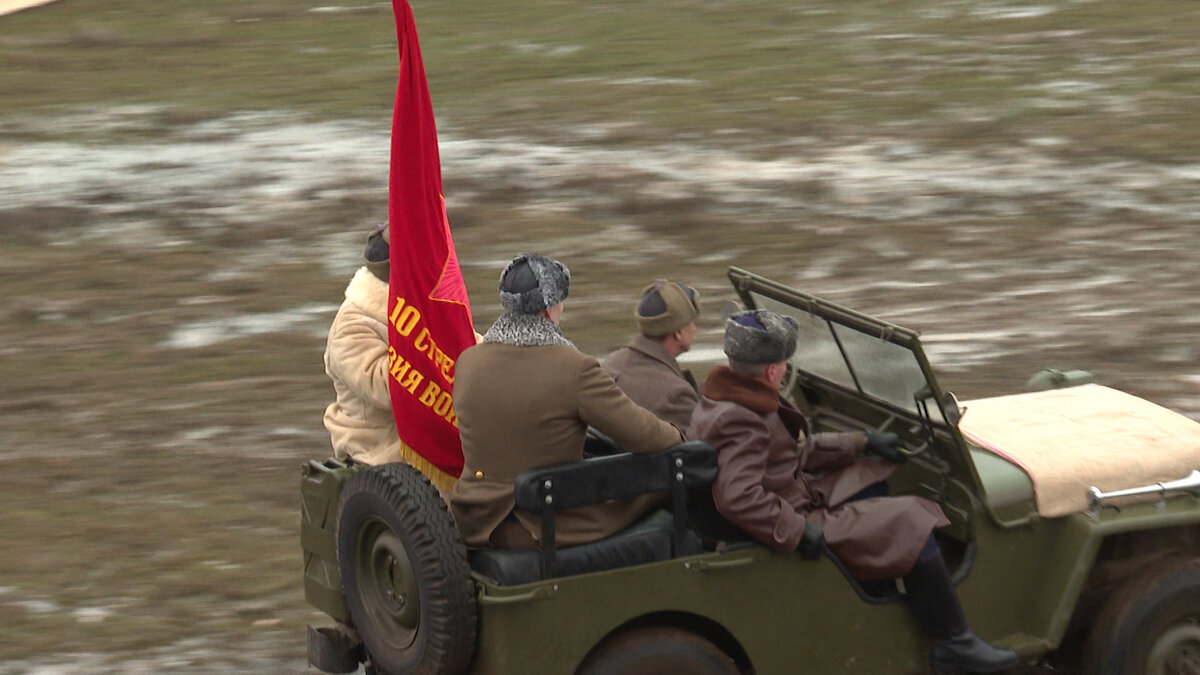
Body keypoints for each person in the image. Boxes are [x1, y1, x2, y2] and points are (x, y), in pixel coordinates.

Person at [688, 309, 1019, 674]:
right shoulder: (743, 418)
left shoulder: (730, 397)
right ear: (771, 371)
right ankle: (953, 644)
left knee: (872, 474)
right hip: (791, 516)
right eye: (783, 364)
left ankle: (875, 588)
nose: (785, 371)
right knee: (914, 518)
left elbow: (794, 449)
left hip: (791, 494)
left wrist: (863, 443)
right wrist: (797, 530)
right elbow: (739, 496)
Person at [449, 254, 686, 549]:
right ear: (550, 308)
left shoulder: (467, 361)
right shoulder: (574, 367)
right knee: (673, 477)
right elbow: (646, 436)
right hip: (543, 523)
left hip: (475, 519)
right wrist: (680, 435)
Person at [322, 224, 411, 467]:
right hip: (380, 452)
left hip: (429, 442)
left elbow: (472, 354)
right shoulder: (351, 326)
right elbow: (390, 390)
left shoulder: (428, 307)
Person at [601, 279, 701, 428]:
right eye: (692, 323)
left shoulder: (609, 364)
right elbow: (705, 447)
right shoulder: (676, 396)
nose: (695, 329)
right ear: (678, 333)